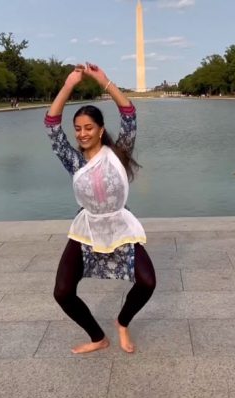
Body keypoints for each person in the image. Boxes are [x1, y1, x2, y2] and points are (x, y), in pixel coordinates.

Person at [44, 62, 155, 354]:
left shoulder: (118, 153)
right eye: (78, 129)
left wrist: (104, 81)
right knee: (63, 292)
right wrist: (69, 85)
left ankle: (122, 322)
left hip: (119, 225)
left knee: (147, 282)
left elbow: (129, 114)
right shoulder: (73, 160)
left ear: (100, 129)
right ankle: (97, 336)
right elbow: (52, 125)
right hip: (87, 228)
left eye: (88, 128)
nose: (82, 133)